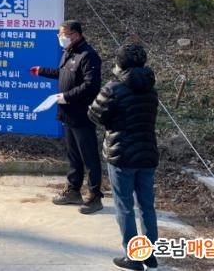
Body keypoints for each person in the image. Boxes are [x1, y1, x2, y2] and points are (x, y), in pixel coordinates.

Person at [88, 44, 159, 271]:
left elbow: (94, 115)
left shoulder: (113, 89)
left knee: (125, 206)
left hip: (121, 154)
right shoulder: (151, 89)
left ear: (120, 63)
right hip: (147, 153)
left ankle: (133, 257)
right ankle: (150, 255)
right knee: (147, 206)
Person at [30, 20, 103, 214]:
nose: (59, 37)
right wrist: (42, 71)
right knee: (73, 156)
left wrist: (66, 96)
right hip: (67, 114)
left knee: (89, 157)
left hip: (82, 115)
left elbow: (91, 86)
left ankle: (95, 196)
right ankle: (73, 190)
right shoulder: (68, 53)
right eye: (59, 34)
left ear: (76, 35)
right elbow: (64, 75)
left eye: (63, 34)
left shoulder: (88, 56)